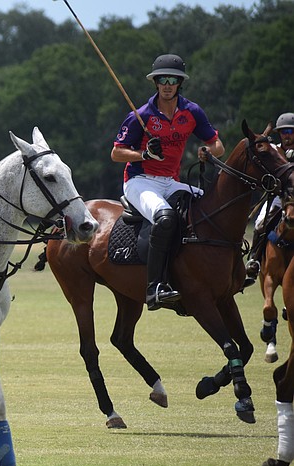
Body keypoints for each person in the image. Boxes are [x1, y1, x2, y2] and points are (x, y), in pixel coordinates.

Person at [111, 54, 225, 311]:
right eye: (162, 79)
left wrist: (208, 152)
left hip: (171, 181)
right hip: (140, 180)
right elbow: (116, 153)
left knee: (211, 208)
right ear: (156, 82)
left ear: (179, 83)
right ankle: (155, 288)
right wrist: (144, 154)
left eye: (172, 79)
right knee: (165, 218)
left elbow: (217, 145)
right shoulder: (140, 115)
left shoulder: (192, 112)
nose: (167, 84)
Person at [244, 111, 294, 285]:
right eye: (283, 132)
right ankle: (254, 261)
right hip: (279, 198)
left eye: (291, 132)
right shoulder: (275, 151)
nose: (287, 136)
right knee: (259, 225)